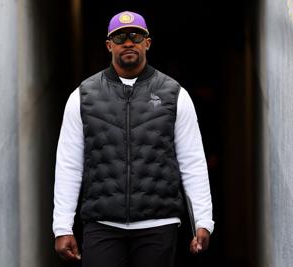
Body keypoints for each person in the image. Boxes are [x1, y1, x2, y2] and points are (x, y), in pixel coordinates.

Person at [53, 10, 214, 267]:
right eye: (120, 37)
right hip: (102, 225)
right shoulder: (82, 96)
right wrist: (62, 227)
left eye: (136, 36)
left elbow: (192, 161)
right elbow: (69, 164)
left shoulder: (175, 95)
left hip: (158, 225)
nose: (128, 42)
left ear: (147, 42)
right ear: (109, 45)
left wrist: (204, 221)